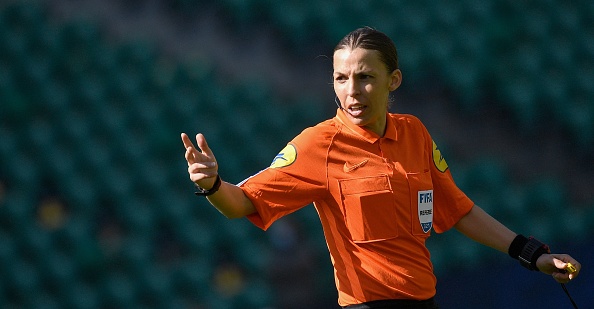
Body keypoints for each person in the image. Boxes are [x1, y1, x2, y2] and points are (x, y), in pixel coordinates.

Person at [181, 27, 581, 308]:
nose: (351, 91)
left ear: (394, 80)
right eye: (340, 78)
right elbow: (242, 203)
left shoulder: (415, 133)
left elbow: (458, 210)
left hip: (426, 302)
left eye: (365, 77)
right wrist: (213, 184)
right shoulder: (317, 144)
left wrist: (532, 255)